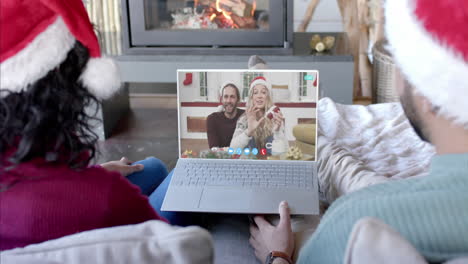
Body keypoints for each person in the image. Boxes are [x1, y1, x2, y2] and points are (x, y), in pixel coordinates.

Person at [249, 0, 468, 263]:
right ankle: (305, 124)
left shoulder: (357, 224)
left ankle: (300, 122)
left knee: (294, 211)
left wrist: (278, 255)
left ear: (430, 94)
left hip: (352, 225)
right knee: (352, 177)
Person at [0, 0, 179, 250]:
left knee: (154, 168)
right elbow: (169, 250)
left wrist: (98, 171)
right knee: (183, 174)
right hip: (110, 232)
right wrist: (95, 182)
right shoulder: (107, 196)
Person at [230, 76, 287, 154]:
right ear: (251, 97)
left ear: (268, 97)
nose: (259, 96)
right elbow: (232, 149)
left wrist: (277, 132)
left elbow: (282, 153)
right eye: (255, 92)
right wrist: (249, 131)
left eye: (263, 92)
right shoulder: (243, 119)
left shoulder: (275, 119)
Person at [206, 82, 245, 148]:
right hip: (221, 157)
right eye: (226, 96)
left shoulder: (244, 116)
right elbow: (214, 149)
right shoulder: (212, 119)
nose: (228, 101)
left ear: (238, 99)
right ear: (221, 99)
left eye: (232, 97)